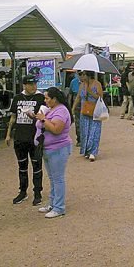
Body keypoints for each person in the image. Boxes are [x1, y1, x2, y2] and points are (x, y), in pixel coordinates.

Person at [5, 74, 46, 206]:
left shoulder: (41, 98)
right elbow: (13, 117)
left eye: (35, 83)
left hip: (35, 138)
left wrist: (36, 117)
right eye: (30, 84)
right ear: (24, 85)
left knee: (37, 166)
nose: (34, 86)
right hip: (20, 138)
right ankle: (22, 191)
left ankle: (38, 192)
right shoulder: (17, 98)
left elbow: (45, 116)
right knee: (22, 167)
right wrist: (8, 134)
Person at [35, 87, 73, 218]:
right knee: (52, 178)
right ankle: (53, 203)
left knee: (58, 179)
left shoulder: (61, 111)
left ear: (54, 99)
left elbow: (56, 129)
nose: (45, 100)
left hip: (58, 149)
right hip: (48, 149)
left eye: (47, 98)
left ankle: (59, 207)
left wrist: (43, 119)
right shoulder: (52, 109)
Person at [72, 71, 103, 161]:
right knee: (85, 131)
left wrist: (91, 93)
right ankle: (86, 151)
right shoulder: (82, 85)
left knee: (94, 131)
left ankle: (93, 151)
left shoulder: (97, 84)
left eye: (83, 74)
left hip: (95, 111)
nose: (81, 77)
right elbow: (78, 97)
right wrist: (73, 108)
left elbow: (100, 97)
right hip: (84, 111)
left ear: (88, 75)